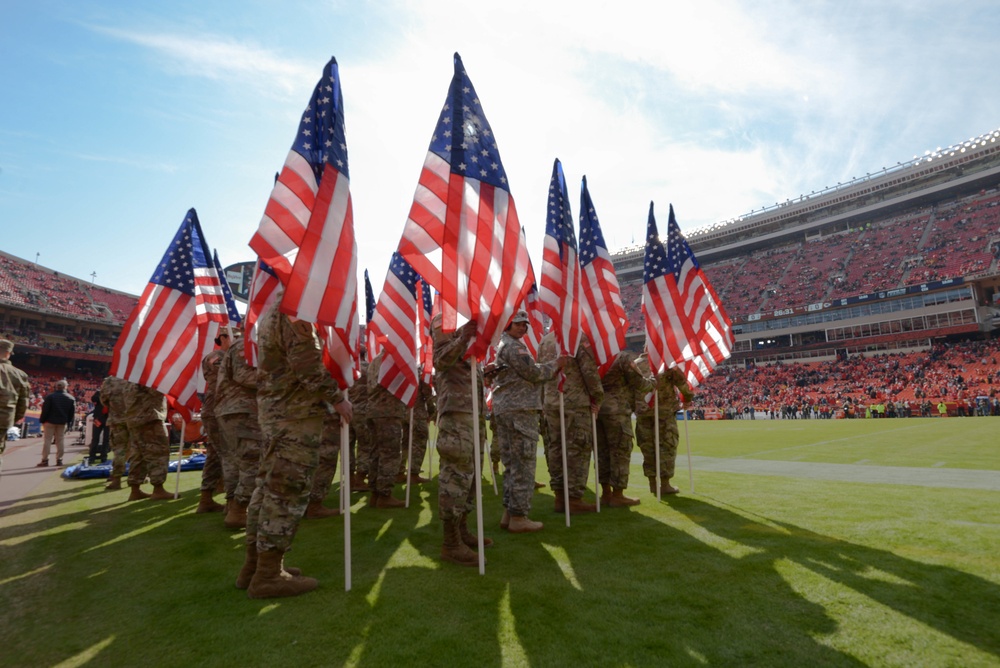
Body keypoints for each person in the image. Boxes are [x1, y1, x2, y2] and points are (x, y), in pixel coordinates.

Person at [237, 293, 352, 599]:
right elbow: (307, 367)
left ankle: (254, 566)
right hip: (294, 415)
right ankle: (268, 575)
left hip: (278, 414)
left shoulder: (274, 310)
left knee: (266, 489)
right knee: (285, 492)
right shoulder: (294, 310)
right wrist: (338, 399)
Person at [488, 311, 563, 533]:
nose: (522, 328)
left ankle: (509, 513)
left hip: (508, 409)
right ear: (508, 325)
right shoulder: (514, 347)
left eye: (525, 325)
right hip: (519, 410)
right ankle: (519, 517)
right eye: (518, 324)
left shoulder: (504, 345)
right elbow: (533, 373)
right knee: (523, 464)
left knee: (512, 464)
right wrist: (557, 364)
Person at [433, 316, 490, 566]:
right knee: (455, 477)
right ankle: (451, 542)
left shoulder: (472, 317)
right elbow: (441, 360)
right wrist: (464, 335)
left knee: (471, 478)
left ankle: (463, 530)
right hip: (456, 413)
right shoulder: (445, 319)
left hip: (473, 414)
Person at [539, 331, 604, 513]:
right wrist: (597, 398)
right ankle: (574, 498)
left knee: (555, 449)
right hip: (574, 403)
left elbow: (542, 371)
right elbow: (589, 372)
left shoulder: (545, 341)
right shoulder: (577, 337)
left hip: (551, 402)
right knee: (577, 448)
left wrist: (543, 400)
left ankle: (560, 496)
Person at [216, 330, 264, 528]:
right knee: (252, 462)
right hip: (242, 410)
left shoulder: (245, 344)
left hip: (233, 410)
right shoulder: (245, 344)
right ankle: (238, 510)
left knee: (236, 462)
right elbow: (245, 376)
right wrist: (281, 376)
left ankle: (233, 506)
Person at [596, 351, 653, 507]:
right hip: (617, 410)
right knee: (620, 451)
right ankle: (617, 494)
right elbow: (640, 384)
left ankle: (605, 493)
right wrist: (653, 382)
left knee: (602, 452)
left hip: (597, 409)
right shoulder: (621, 357)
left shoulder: (596, 353)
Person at [637, 360, 694, 495]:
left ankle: (652, 483)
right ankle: (665, 484)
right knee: (667, 447)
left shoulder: (635, 364)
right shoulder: (666, 363)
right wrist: (687, 398)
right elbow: (682, 383)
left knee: (648, 448)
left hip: (643, 413)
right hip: (665, 413)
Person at [365, 349, 407, 508]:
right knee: (390, 454)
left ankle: (375, 493)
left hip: (374, 410)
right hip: (388, 411)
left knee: (376, 453)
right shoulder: (391, 360)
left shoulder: (375, 360)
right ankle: (384, 495)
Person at [195, 331, 229, 514]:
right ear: (223, 338)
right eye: (234, 336)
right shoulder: (217, 357)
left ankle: (206, 497)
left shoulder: (223, 356)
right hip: (219, 410)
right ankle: (233, 503)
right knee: (228, 453)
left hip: (220, 409)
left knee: (216, 455)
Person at [124, 382, 173, 501]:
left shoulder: (129, 379)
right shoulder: (149, 377)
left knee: (138, 455)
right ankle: (158, 489)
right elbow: (158, 390)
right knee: (158, 453)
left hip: (134, 420)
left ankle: (135, 490)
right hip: (150, 419)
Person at [0, 339, 30, 476]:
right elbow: (23, 402)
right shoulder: (20, 374)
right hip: (4, 418)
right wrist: (14, 418)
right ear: (8, 353)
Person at [100, 375, 130, 490]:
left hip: (117, 419)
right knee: (138, 449)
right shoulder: (137, 377)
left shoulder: (110, 380)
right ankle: (140, 476)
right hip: (135, 419)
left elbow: (104, 399)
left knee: (119, 451)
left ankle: (116, 479)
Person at [38, 379, 75, 467]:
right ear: (65, 387)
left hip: (50, 421)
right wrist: (69, 423)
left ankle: (45, 460)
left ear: (56, 387)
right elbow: (71, 414)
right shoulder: (71, 398)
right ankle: (59, 460)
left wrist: (42, 420)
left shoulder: (50, 397)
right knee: (60, 441)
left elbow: (45, 410)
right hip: (62, 422)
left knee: (47, 440)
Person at [87, 389, 109, 464]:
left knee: (106, 439)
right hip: (98, 419)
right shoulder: (99, 392)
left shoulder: (113, 393)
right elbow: (93, 399)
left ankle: (104, 456)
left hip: (108, 419)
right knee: (95, 438)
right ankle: (92, 456)